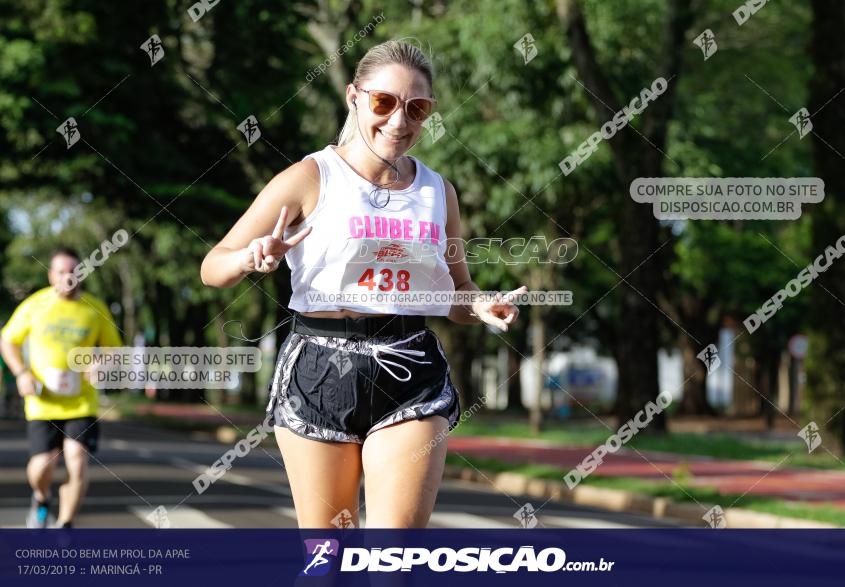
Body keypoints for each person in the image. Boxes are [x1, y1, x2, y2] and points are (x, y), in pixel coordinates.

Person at [201, 40, 525, 528]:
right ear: (354, 96)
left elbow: (457, 293)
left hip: (408, 367)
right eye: (384, 102)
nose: (400, 121)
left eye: (417, 108)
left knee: (394, 559)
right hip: (319, 372)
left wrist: (479, 305)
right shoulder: (311, 177)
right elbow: (213, 266)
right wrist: (251, 257)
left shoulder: (439, 192)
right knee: (328, 560)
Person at [0, 246, 123, 528]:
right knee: (42, 465)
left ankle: (66, 527)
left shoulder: (94, 308)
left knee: (77, 460)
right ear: (50, 275)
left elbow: (114, 350)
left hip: (81, 401)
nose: (68, 277)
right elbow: (7, 340)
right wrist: (21, 372)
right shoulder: (35, 304)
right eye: (62, 272)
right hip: (43, 401)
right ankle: (41, 497)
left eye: (74, 271)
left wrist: (101, 364)